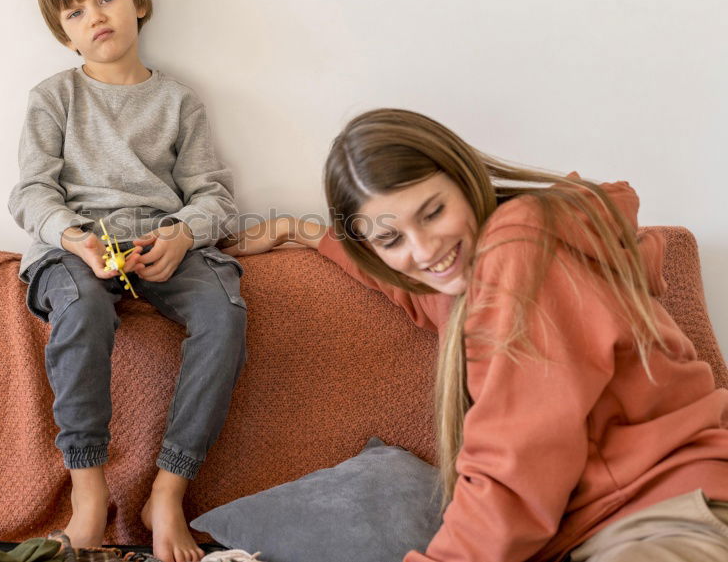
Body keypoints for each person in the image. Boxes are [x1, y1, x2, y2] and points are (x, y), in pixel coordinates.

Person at [224, 109, 728, 561]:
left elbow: (517, 460)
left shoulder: (518, 248)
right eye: (391, 238)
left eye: (433, 212)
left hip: (665, 516)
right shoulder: (470, 276)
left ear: (465, 180)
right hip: (615, 524)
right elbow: (419, 290)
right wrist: (301, 231)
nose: (423, 250)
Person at [8, 0, 247, 562]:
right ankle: (89, 495)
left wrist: (182, 234)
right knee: (82, 308)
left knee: (222, 314)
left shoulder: (178, 101)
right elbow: (30, 194)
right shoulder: (53, 99)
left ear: (137, 1)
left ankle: (167, 492)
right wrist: (71, 237)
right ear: (65, 35)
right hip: (76, 244)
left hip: (158, 240)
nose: (96, 17)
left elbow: (214, 197)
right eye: (75, 12)